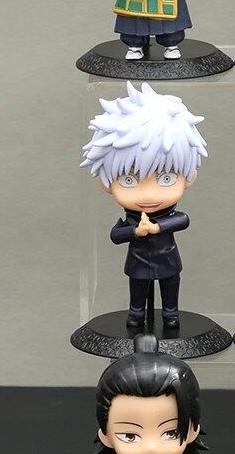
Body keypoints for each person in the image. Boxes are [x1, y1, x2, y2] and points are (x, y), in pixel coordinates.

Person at [82, 81, 207, 328]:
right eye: (129, 180)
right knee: (138, 289)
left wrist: (157, 228)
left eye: (166, 178)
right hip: (138, 262)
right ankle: (136, 314)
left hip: (168, 260)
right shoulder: (132, 218)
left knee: (170, 287)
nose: (148, 194)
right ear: (106, 183)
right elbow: (116, 235)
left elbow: (182, 220)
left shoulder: (169, 216)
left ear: (189, 177)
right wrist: (136, 231)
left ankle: (171, 314)